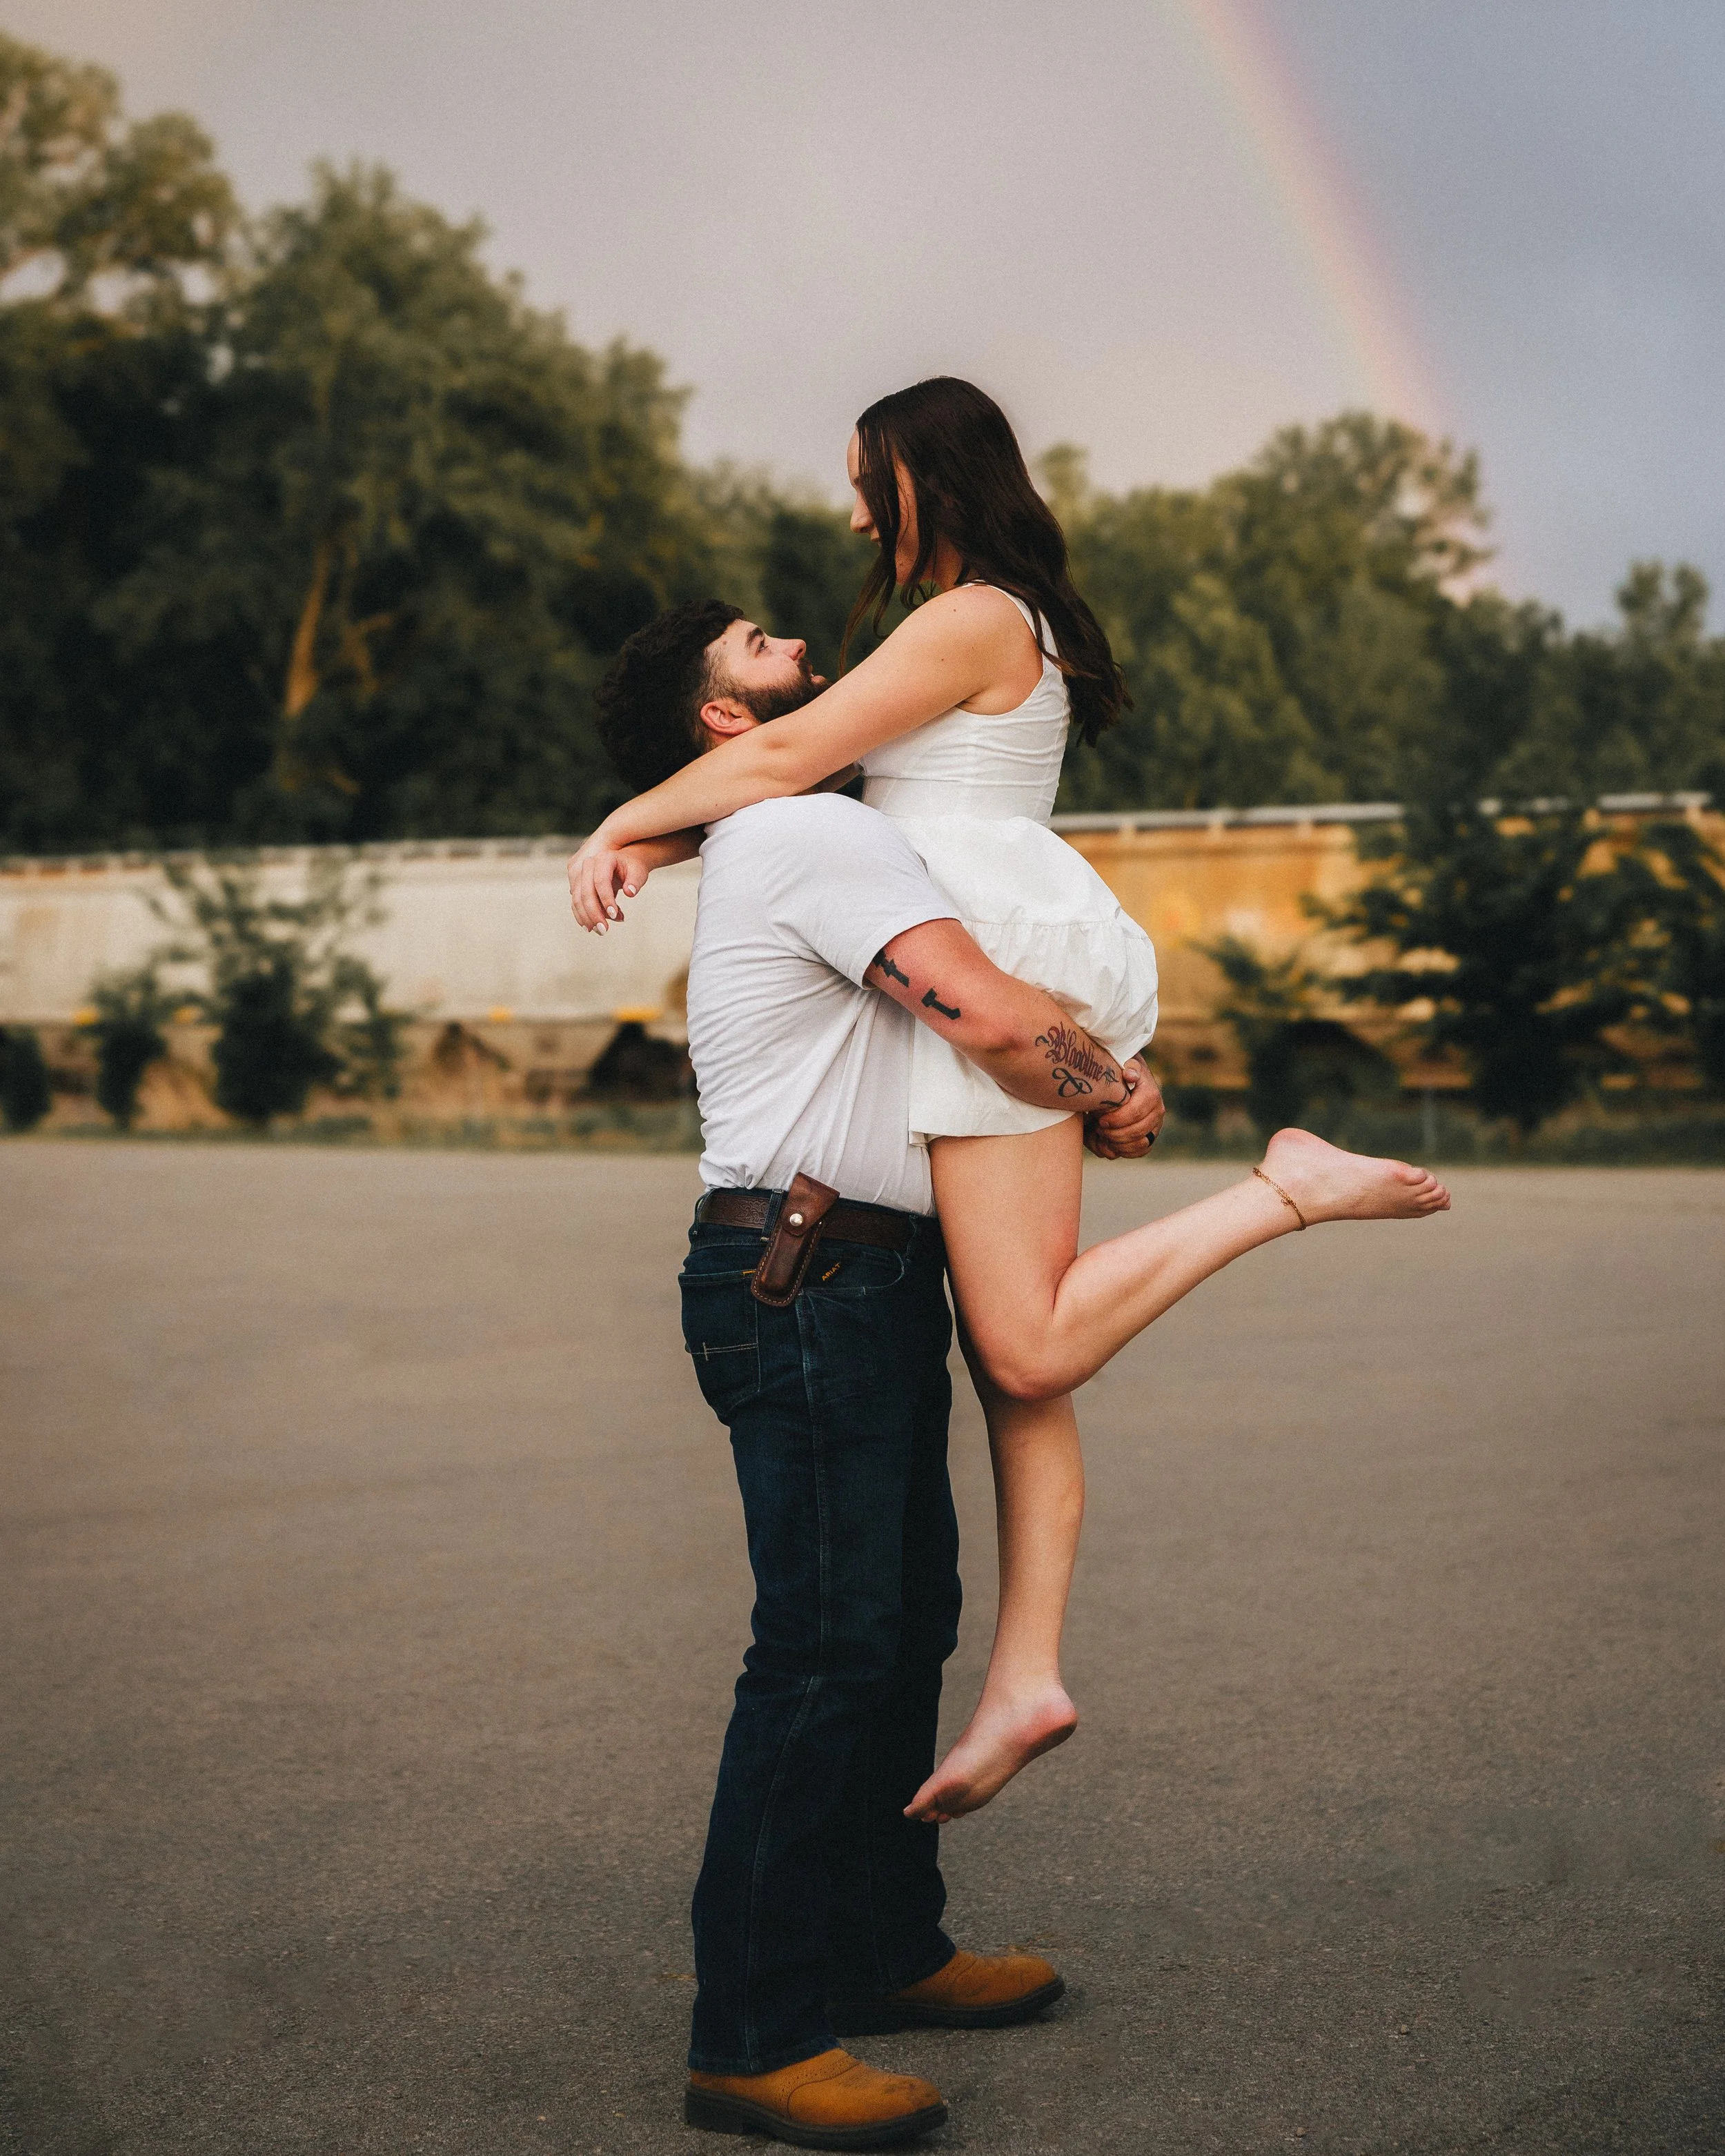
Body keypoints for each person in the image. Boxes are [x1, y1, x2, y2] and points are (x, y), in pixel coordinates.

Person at [587, 600, 1448, 2146]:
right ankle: (753, 2032)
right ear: (727, 726)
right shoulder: (806, 835)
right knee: (825, 1648)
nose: (810, 655)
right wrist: (1111, 1083)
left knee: (901, 1621)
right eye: (767, 648)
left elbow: (989, 1026)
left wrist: (1096, 1080)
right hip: (805, 1273)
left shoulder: (817, 832)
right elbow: (982, 1012)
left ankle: (880, 1945)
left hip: (848, 1269)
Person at [570, 378, 1449, 1830]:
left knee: (1025, 1337)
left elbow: (783, 759)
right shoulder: (969, 624)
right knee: (1010, 1351)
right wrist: (655, 850)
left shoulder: (968, 616)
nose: (852, 511)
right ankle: (1024, 1674)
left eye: (865, 480)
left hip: (980, 944)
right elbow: (796, 780)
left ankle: (1280, 1186)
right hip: (982, 933)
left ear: (924, 473)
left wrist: (612, 822)